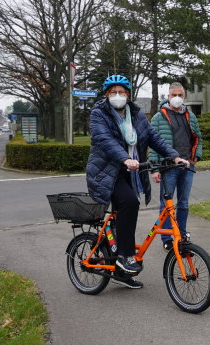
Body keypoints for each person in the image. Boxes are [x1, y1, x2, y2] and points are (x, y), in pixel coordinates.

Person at [87, 75, 189, 289]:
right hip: (106, 173)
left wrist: (175, 156)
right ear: (107, 95)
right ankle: (125, 256)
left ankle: (122, 270)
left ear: (128, 94)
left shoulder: (136, 114)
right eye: (113, 92)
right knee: (130, 202)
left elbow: (154, 138)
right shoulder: (99, 114)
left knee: (126, 214)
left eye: (121, 92)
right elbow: (103, 140)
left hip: (131, 171)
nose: (118, 96)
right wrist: (124, 158)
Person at [149, 82, 203, 251]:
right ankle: (166, 236)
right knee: (166, 204)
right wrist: (155, 168)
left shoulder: (190, 116)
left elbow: (198, 137)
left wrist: (196, 157)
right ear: (168, 96)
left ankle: (181, 233)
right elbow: (152, 144)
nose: (177, 98)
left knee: (184, 203)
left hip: (187, 166)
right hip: (168, 168)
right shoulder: (158, 117)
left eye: (180, 95)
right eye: (174, 95)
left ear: (184, 97)